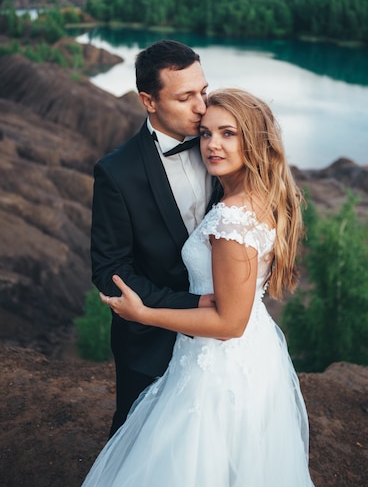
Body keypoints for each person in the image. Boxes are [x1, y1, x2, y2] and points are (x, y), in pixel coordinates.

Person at [83, 88, 315, 487]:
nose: (211, 145)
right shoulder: (256, 197)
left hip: (217, 363)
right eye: (206, 134)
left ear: (254, 140)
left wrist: (144, 313)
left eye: (228, 134)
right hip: (248, 354)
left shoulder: (231, 220)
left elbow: (228, 323)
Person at [90, 39, 220, 437]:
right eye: (185, 98)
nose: (201, 108)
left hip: (221, 337)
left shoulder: (223, 144)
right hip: (149, 342)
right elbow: (110, 269)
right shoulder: (117, 172)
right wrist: (193, 305)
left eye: (204, 92)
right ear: (149, 101)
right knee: (139, 441)